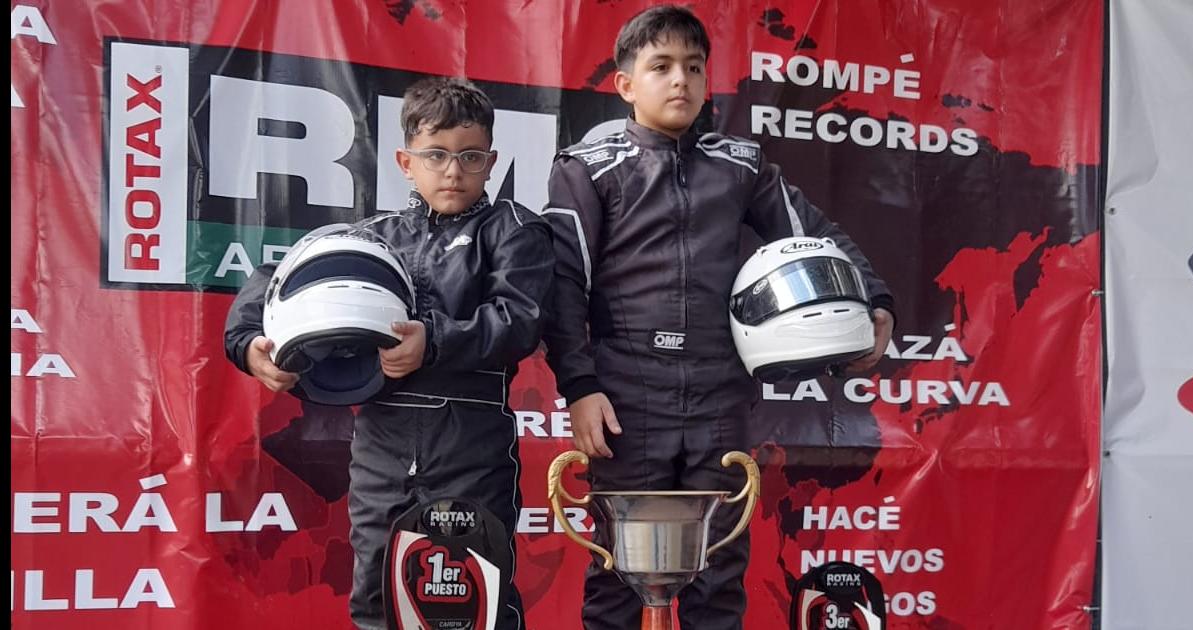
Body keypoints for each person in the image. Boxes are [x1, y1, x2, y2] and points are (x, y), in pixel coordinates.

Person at [541, 6, 896, 629]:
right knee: (621, 577)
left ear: (708, 80)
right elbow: (564, 282)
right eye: (661, 67)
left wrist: (876, 299)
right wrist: (581, 387)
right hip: (627, 395)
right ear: (625, 85)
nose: (680, 79)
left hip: (719, 393)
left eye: (694, 67)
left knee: (718, 573)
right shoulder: (586, 167)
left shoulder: (742, 163)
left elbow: (812, 233)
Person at [224, 76, 552, 630]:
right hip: (380, 445)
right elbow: (276, 277)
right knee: (378, 593)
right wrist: (248, 343)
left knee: (475, 597)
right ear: (405, 161)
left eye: (470, 156)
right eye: (437, 155)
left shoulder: (513, 229)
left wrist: (435, 340)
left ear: (491, 161)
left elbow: (520, 320)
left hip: (470, 442)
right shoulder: (373, 237)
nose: (453, 170)